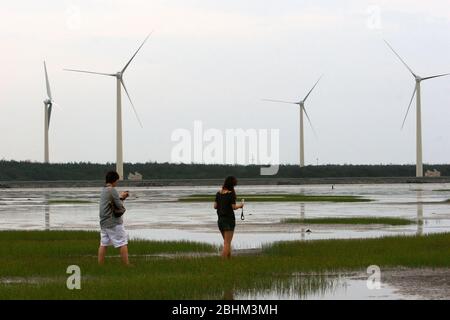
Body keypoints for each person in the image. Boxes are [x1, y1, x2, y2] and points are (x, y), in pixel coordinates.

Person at [98, 171, 130, 266]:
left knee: (103, 244)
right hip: (113, 222)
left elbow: (111, 202)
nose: (117, 183)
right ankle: (126, 265)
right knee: (123, 242)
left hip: (103, 222)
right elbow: (119, 206)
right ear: (114, 180)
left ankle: (100, 265)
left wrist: (120, 197)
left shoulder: (103, 190)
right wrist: (123, 197)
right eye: (117, 180)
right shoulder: (112, 190)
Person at [214, 176, 244, 259]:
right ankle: (223, 261)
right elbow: (234, 207)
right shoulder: (231, 194)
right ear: (232, 185)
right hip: (229, 220)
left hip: (220, 220)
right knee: (227, 243)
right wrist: (241, 205)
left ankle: (229, 260)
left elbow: (215, 206)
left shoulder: (218, 193)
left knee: (227, 242)